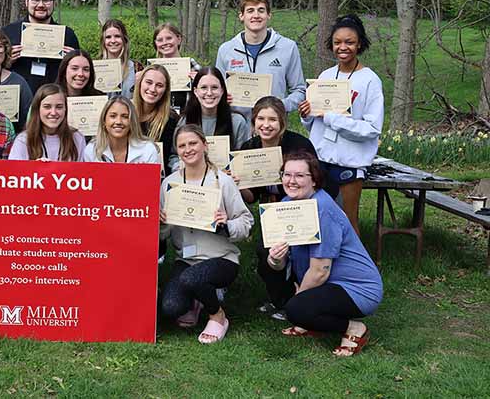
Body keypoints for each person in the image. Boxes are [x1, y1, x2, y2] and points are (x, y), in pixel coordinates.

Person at [264, 151, 382, 356]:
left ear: (315, 181)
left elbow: (320, 272)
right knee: (295, 303)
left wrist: (298, 304)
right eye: (287, 174)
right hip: (326, 283)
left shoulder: (323, 208)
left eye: (300, 176)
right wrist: (275, 258)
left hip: (357, 288)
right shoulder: (285, 205)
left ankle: (354, 328)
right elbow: (278, 266)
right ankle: (310, 320)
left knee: (295, 309)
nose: (291, 181)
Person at [237, 96, 337, 320]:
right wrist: (238, 185)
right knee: (266, 254)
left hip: (302, 210)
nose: (266, 124)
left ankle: (300, 299)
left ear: (282, 122)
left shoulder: (298, 145)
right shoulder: (248, 148)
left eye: (272, 119)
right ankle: (279, 300)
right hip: (270, 212)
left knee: (296, 255)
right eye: (260, 118)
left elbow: (318, 182)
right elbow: (251, 197)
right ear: (253, 122)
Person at [159, 125, 254, 343]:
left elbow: (246, 221)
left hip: (221, 259)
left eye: (193, 143)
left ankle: (217, 315)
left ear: (205, 145)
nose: (188, 149)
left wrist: (226, 225)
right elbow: (164, 234)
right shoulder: (169, 184)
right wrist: (162, 222)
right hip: (187, 259)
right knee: (171, 307)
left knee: (192, 278)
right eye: (181, 145)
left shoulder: (223, 181)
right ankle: (197, 299)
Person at [299, 15, 384, 235]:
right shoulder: (326, 75)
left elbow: (372, 129)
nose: (342, 47)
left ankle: (355, 267)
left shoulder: (369, 80)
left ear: (359, 44)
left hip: (349, 162)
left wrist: (331, 118)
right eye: (337, 42)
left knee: (348, 221)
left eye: (349, 42)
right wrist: (307, 115)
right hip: (321, 159)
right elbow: (315, 126)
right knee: (317, 220)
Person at [215, 0, 306, 122]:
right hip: (236, 126)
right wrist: (222, 98)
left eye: (261, 10)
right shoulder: (226, 50)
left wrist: (281, 105)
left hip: (272, 128)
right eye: (250, 10)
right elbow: (217, 89)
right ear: (241, 16)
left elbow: (300, 90)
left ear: (269, 15)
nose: (256, 15)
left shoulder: (288, 47)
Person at [3, 0, 80, 94]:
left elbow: (79, 72)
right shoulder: (8, 33)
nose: (40, 5)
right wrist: (6, 62)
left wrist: (74, 61)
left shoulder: (67, 35)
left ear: (54, 3)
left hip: (56, 100)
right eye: (35, 0)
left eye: (46, 0)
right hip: (18, 97)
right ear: (26, 1)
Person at [178, 66, 250, 150]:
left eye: (214, 87)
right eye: (204, 87)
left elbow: (241, 158)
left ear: (222, 90)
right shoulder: (184, 122)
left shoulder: (237, 122)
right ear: (195, 91)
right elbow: (175, 156)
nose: (209, 93)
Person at [9, 84, 86, 161]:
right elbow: (15, 171)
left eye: (59, 107)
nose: (53, 112)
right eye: (47, 107)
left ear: (65, 109)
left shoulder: (77, 138)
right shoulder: (23, 140)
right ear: (37, 109)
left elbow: (84, 171)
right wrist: (34, 168)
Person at [82, 96, 160, 163]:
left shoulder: (147, 149)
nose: (118, 121)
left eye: (125, 116)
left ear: (132, 122)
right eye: (113, 116)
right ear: (104, 121)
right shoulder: (91, 150)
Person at [133, 64, 179, 172]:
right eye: (148, 82)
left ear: (165, 90)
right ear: (140, 83)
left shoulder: (172, 120)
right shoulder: (125, 114)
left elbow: (175, 157)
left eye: (159, 85)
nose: (153, 89)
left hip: (159, 181)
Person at [99, 19, 142, 98]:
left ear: (124, 39)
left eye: (117, 36)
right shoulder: (95, 68)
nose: (113, 41)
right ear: (103, 41)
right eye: (108, 37)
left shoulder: (137, 67)